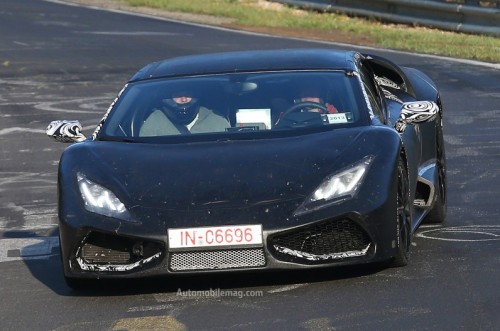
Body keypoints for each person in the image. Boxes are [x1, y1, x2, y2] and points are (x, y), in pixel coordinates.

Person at [140, 89, 230, 136]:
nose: (183, 99)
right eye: (178, 95)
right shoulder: (155, 120)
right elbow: (145, 152)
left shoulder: (217, 120)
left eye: (187, 94)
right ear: (170, 98)